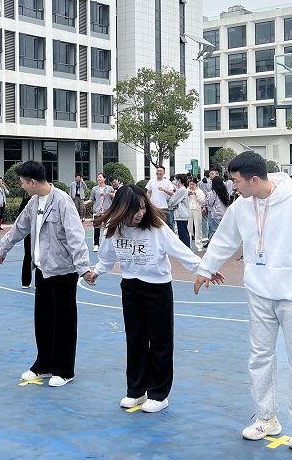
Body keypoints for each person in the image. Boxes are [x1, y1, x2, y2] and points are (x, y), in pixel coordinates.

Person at [194, 151, 292, 452]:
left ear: (254, 179)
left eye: (237, 181)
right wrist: (205, 269)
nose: (234, 187)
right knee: (260, 357)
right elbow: (225, 239)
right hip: (258, 291)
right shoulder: (241, 206)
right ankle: (266, 417)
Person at [83, 184, 202, 413]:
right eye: (135, 210)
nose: (140, 213)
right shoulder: (114, 229)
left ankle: (159, 394)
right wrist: (97, 271)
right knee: (135, 339)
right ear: (122, 209)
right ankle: (136, 391)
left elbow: (182, 252)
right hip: (131, 288)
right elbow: (107, 258)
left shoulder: (157, 228)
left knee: (159, 341)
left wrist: (204, 270)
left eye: (142, 208)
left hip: (157, 289)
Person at [0, 161, 90, 387]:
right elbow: (19, 228)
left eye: (22, 182)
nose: (21, 186)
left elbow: (76, 236)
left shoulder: (62, 202)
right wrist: (2, 249)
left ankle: (64, 370)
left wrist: (84, 268)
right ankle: (44, 364)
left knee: (63, 323)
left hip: (63, 272)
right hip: (42, 270)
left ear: (33, 182)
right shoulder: (34, 202)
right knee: (43, 320)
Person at [84, 172, 114, 252]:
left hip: (107, 211)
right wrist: (87, 202)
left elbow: (114, 197)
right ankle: (96, 244)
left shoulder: (110, 188)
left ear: (104, 179)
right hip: (97, 211)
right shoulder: (94, 189)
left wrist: (113, 195)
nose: (99, 179)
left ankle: (108, 245)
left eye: (100, 177)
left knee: (108, 228)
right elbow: (92, 198)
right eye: (98, 177)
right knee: (96, 228)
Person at [146, 167, 176, 231]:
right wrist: (148, 202)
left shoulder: (167, 182)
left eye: (160, 171)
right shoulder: (151, 181)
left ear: (164, 173)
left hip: (164, 207)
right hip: (154, 207)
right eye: (157, 171)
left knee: (165, 225)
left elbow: (172, 192)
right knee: (154, 224)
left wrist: (164, 189)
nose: (158, 172)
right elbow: (148, 192)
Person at [204, 175, 232, 244]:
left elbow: (210, 203)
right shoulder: (225, 191)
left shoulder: (213, 192)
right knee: (222, 231)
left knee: (214, 230)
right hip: (224, 214)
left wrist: (207, 195)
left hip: (215, 214)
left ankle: (215, 244)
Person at [169, 174, 193, 248]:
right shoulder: (180, 189)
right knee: (182, 233)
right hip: (180, 214)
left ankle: (186, 249)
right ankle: (185, 248)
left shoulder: (182, 190)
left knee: (183, 234)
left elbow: (173, 201)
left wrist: (173, 202)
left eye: (175, 180)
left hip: (182, 214)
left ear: (179, 180)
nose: (174, 181)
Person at [186, 176, 207, 250]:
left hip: (197, 209)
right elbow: (184, 200)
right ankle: (188, 244)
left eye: (193, 184)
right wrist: (187, 195)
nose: (191, 186)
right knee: (188, 227)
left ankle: (199, 245)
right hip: (189, 210)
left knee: (198, 227)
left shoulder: (200, 191)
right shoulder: (187, 190)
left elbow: (203, 201)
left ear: (196, 184)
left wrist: (196, 194)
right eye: (190, 184)